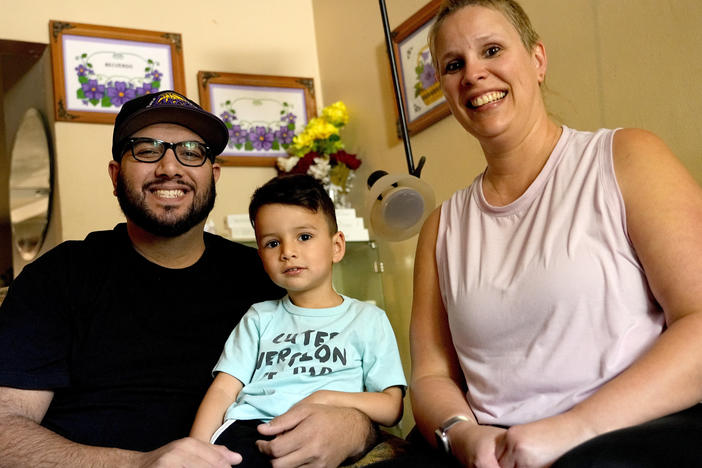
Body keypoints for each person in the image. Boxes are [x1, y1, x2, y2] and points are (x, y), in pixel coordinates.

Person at [0, 91, 381, 467]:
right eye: (147, 149)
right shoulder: (57, 277)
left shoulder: (268, 275)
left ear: (213, 176)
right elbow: (5, 430)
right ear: (116, 176)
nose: (170, 167)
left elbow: (348, 383)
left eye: (191, 151)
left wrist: (352, 427)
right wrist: (138, 465)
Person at [409, 1, 702, 467]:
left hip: (624, 435)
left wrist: (573, 430)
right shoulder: (441, 228)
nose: (473, 74)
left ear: (537, 60)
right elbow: (430, 376)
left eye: (491, 50)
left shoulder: (627, 157)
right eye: (453, 65)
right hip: (493, 450)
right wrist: (463, 435)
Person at [190, 173, 406, 467]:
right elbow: (224, 389)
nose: (288, 252)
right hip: (251, 430)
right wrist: (195, 450)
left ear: (336, 246)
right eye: (272, 243)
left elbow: (391, 407)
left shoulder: (368, 319)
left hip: (327, 430)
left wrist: (328, 398)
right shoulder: (259, 317)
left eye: (304, 237)